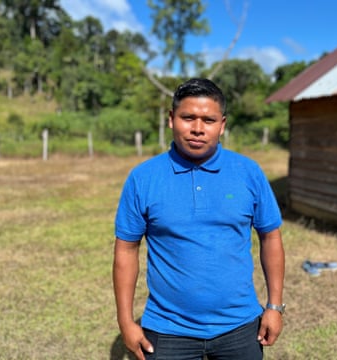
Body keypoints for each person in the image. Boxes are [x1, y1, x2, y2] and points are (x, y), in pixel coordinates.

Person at [113, 78, 285, 360]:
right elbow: (125, 250)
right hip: (167, 329)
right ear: (171, 119)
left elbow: (271, 237)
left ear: (223, 125)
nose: (197, 128)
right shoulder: (143, 178)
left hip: (240, 326)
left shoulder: (248, 172)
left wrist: (274, 307)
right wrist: (126, 321)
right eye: (188, 117)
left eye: (208, 119)